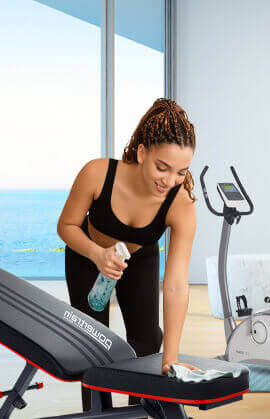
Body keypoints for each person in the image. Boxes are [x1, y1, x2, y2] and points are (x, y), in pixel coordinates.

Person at [57, 98, 198, 411]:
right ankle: (99, 415)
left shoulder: (181, 203)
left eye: (180, 172)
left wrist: (171, 360)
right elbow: (66, 225)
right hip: (86, 257)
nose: (169, 181)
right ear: (142, 152)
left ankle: (138, 412)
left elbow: (176, 283)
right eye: (162, 167)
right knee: (93, 348)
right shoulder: (97, 173)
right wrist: (97, 254)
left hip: (139, 259)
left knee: (148, 340)